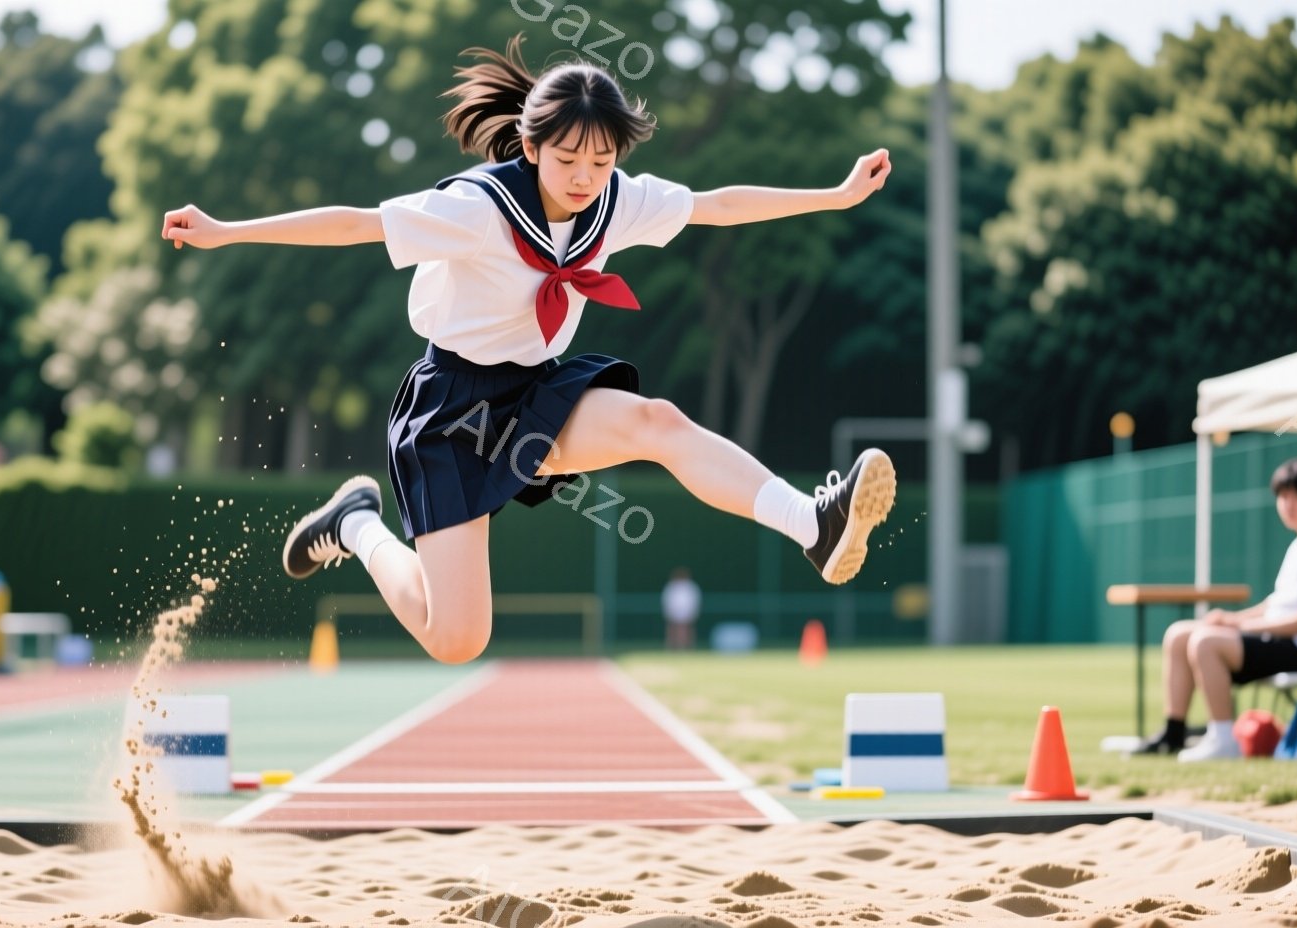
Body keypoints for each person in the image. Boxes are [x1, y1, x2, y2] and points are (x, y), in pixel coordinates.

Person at [162, 36, 897, 665]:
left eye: (601, 162)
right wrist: (228, 229)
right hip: (450, 409)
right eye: (569, 159)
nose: (585, 178)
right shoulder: (477, 208)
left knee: (658, 423)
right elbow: (354, 223)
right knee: (458, 639)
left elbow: (717, 205)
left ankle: (815, 523)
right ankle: (354, 522)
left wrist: (833, 196)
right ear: (533, 144)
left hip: (532, 392)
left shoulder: (617, 200)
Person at [1136, 456, 1297, 761]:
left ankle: (1223, 739)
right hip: (1284, 643)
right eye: (1282, 496)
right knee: (1179, 634)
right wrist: (1231, 618)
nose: (1287, 504)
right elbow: (1276, 603)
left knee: (1205, 641)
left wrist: (1238, 627)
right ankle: (1173, 732)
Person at [662, 568, 701, 651]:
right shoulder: (671, 586)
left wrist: (692, 612)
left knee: (686, 630)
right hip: (674, 612)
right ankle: (673, 647)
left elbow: (694, 599)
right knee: (672, 629)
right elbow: (667, 599)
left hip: (686, 612)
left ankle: (687, 647)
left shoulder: (691, 586)